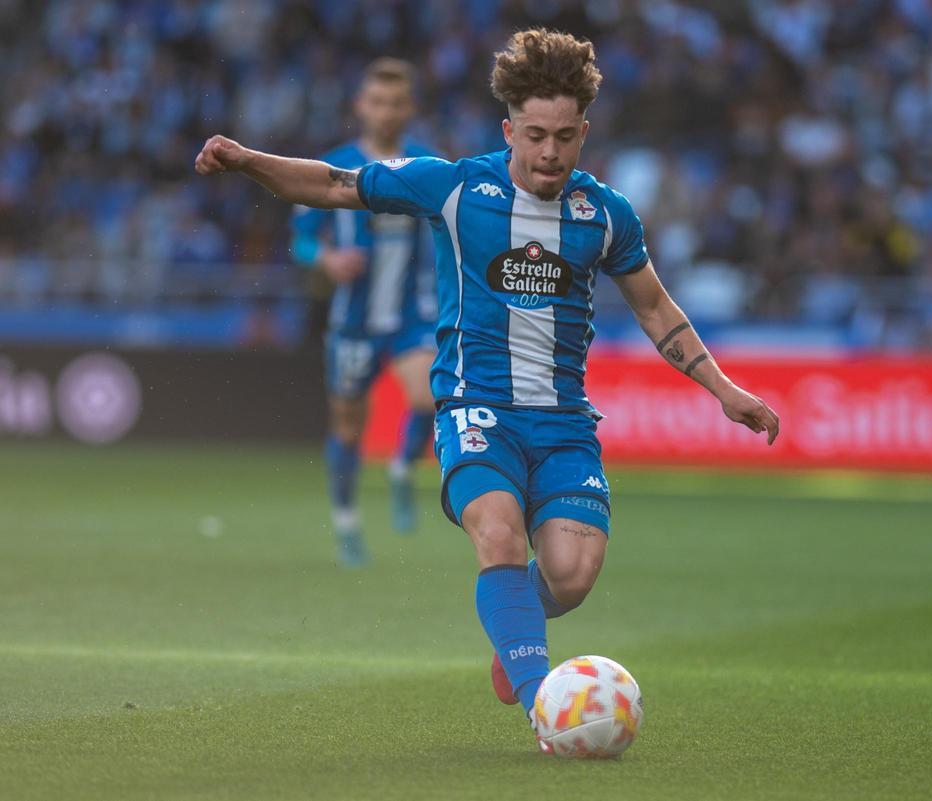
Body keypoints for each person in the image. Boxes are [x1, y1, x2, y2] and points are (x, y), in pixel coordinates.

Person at [195, 29, 779, 749]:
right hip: (477, 410)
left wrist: (723, 389)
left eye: (564, 136)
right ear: (509, 131)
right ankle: (545, 709)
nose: (549, 153)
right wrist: (247, 161)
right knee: (497, 534)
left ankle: (515, 635)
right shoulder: (456, 188)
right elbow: (333, 185)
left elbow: (656, 308)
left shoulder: (605, 214)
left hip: (564, 423)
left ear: (584, 133)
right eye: (535, 135)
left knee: (573, 575)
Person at [290, 58, 439, 567]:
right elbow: (300, 241)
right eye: (377, 102)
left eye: (396, 103)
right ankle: (347, 523)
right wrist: (328, 259)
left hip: (410, 317)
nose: (386, 112)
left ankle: (401, 468)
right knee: (349, 429)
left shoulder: (426, 166)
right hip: (352, 323)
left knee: (430, 396)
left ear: (410, 108)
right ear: (360, 106)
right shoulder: (333, 167)